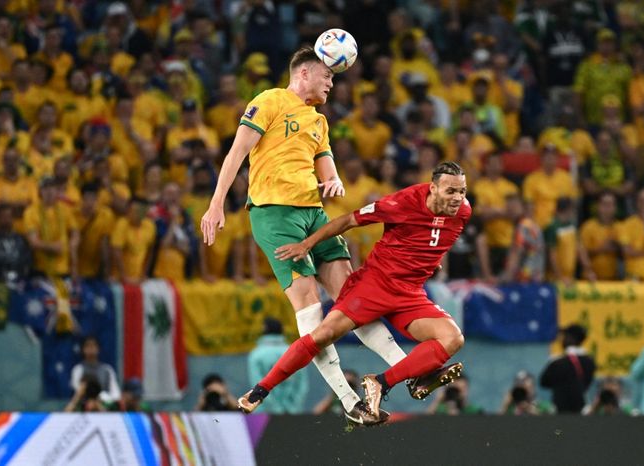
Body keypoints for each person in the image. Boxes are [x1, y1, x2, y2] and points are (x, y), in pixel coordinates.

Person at [200, 46, 412, 425]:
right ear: (304, 74)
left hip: (313, 213)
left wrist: (334, 181)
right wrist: (216, 204)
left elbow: (328, 169)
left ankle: (409, 368)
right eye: (327, 76)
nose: (332, 82)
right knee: (311, 305)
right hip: (274, 213)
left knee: (353, 297)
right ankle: (348, 400)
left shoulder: (319, 121)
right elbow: (236, 153)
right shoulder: (269, 101)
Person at [237, 162, 470, 422]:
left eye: (462, 191)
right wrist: (307, 244)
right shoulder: (402, 203)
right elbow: (349, 220)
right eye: (451, 191)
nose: (458, 198)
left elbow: (432, 239)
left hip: (411, 293)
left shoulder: (464, 211)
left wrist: (428, 260)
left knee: (452, 338)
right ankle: (260, 389)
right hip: (374, 286)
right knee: (323, 334)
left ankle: (381, 382)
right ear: (433, 188)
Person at [248, 318, 308, 414]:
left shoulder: (256, 355)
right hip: (293, 413)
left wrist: (276, 409)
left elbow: (257, 384)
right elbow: (302, 385)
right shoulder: (296, 352)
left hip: (265, 415)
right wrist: (293, 407)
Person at [539, 324, 596, 413]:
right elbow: (586, 383)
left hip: (560, 410)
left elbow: (544, 382)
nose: (562, 340)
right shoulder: (590, 361)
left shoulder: (557, 362)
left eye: (564, 336)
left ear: (571, 338)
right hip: (581, 409)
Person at [70, 336, 121, 403]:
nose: (91, 348)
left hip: (104, 406)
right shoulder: (78, 369)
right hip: (84, 406)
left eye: (93, 345)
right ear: (83, 349)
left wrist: (103, 398)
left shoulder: (107, 369)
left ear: (98, 348)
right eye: (88, 346)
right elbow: (77, 390)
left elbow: (116, 394)